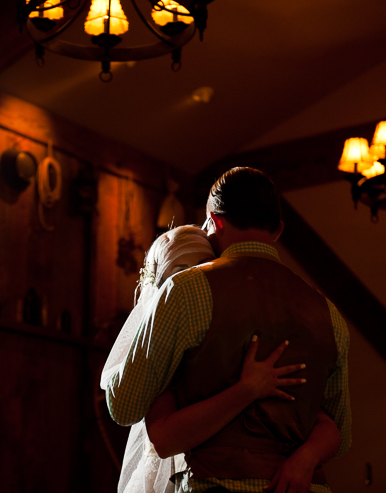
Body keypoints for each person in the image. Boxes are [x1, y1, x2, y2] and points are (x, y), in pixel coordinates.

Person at [103, 168, 351, 493]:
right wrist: (304, 457)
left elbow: (123, 407)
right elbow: (340, 432)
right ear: (278, 230)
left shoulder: (186, 291)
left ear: (215, 222)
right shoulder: (329, 314)